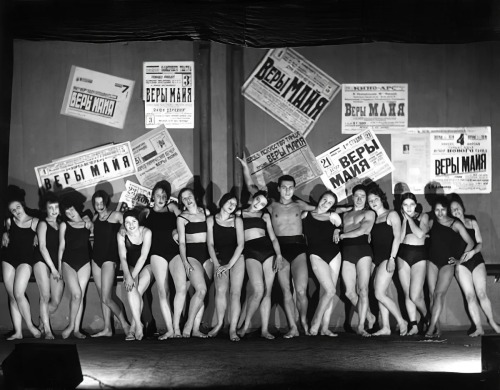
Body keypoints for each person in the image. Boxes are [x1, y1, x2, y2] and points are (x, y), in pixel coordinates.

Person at [237, 156, 313, 337]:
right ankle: (293, 327)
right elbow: (251, 188)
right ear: (279, 189)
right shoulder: (270, 205)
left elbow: (322, 209)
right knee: (286, 290)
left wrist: (337, 217)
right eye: (284, 187)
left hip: (298, 247)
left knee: (301, 290)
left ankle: (303, 321)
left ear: (294, 188)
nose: (287, 190)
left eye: (291, 187)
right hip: (280, 249)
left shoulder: (299, 204)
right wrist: (245, 167)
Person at [449, 194, 500, 336]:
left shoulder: (471, 222)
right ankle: (479, 328)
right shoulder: (450, 228)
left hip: (476, 260)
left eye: (457, 208)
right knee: (470, 296)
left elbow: (479, 243)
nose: (456, 211)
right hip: (461, 265)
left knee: (482, 294)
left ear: (462, 208)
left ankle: (493, 323)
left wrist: (471, 253)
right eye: (453, 210)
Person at [425, 195, 474, 338]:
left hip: (447, 264)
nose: (440, 213)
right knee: (431, 295)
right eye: (437, 210)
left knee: (439, 294)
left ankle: (430, 329)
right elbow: (421, 232)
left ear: (447, 210)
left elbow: (470, 243)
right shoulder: (432, 222)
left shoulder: (455, 224)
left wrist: (460, 260)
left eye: (443, 210)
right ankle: (437, 329)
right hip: (432, 261)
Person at [237, 190, 283, 339]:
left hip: (268, 251)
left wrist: (279, 255)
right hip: (250, 252)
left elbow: (274, 238)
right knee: (258, 290)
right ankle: (245, 326)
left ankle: (264, 330)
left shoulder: (264, 215)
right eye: (258, 200)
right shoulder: (240, 213)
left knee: (267, 292)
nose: (258, 204)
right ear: (253, 197)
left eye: (263, 203)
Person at [143, 180, 182, 339]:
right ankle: (170, 329)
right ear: (153, 196)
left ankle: (177, 327)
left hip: (175, 252)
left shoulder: (172, 209)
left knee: (181, 289)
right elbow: (130, 223)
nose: (161, 198)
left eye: (164, 196)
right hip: (157, 253)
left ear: (167, 198)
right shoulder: (146, 212)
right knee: (163, 291)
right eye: (158, 195)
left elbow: (185, 222)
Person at [336, 184, 376, 337]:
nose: (359, 199)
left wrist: (343, 236)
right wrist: (337, 230)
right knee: (349, 292)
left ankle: (361, 326)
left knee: (363, 290)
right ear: (352, 197)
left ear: (366, 199)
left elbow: (363, 230)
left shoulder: (369, 213)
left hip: (363, 251)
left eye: (362, 196)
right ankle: (369, 316)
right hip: (347, 252)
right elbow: (333, 218)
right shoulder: (345, 214)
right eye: (357, 196)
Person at [367, 185, 408, 336]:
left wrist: (392, 258)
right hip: (377, 259)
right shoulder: (373, 218)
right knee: (380, 292)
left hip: (387, 257)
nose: (373, 202)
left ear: (382, 199)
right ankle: (385, 327)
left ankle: (401, 321)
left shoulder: (392, 215)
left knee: (379, 294)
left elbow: (398, 237)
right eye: (370, 200)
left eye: (376, 199)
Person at [1, 194, 42, 340]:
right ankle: (18, 332)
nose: (16, 211)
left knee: (19, 294)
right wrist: (5, 233)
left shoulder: (35, 222)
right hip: (8, 259)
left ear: (23, 206)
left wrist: (38, 235)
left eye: (18, 207)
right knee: (12, 296)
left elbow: (44, 236)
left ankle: (30, 326)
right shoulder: (9, 222)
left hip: (25, 260)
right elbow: (7, 233)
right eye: (13, 210)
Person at [301, 190, 342, 337]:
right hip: (316, 254)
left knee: (328, 293)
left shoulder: (333, 216)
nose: (326, 204)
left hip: (334, 254)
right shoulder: (306, 215)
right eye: (325, 199)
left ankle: (324, 328)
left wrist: (337, 229)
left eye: (330, 202)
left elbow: (341, 227)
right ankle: (316, 322)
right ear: (320, 199)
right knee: (330, 290)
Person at [90, 190, 130, 337]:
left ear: (106, 202)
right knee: (103, 297)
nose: (99, 206)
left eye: (101, 203)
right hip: (96, 259)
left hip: (110, 258)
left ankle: (125, 324)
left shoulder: (116, 215)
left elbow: (129, 222)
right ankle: (107, 328)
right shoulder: (95, 218)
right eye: (97, 203)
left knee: (107, 298)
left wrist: (123, 227)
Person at [206, 193, 245, 341]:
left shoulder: (237, 220)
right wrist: (216, 264)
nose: (231, 206)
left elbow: (241, 245)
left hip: (236, 258)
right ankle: (219, 324)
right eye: (229, 202)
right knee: (221, 290)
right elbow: (210, 244)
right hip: (219, 259)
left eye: (234, 204)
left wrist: (230, 264)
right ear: (222, 202)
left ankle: (233, 329)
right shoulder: (211, 220)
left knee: (235, 293)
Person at [177, 188, 213, 338]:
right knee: (201, 290)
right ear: (182, 202)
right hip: (192, 255)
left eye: (189, 196)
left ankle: (196, 329)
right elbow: (182, 243)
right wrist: (185, 261)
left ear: (195, 197)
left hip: (207, 255)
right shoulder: (182, 218)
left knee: (202, 295)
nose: (188, 200)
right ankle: (188, 324)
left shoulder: (206, 213)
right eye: (184, 199)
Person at [58, 199, 93, 339]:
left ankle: (77, 329)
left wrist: (88, 220)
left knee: (80, 296)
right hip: (68, 262)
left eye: (71, 209)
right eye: (67, 211)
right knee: (76, 294)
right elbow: (61, 246)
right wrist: (59, 267)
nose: (70, 213)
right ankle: (71, 325)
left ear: (77, 207)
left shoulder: (87, 223)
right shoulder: (64, 225)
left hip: (84, 262)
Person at [397, 192, 430, 335]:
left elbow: (420, 234)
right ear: (401, 206)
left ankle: (428, 317)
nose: (408, 207)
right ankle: (414, 325)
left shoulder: (423, 216)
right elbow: (400, 237)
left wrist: (409, 219)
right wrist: (404, 220)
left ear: (416, 205)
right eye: (405, 205)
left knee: (415, 295)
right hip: (403, 255)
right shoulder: (401, 218)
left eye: (411, 204)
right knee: (407, 294)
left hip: (419, 255)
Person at [118, 209, 153, 341]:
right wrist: (128, 275)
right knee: (132, 289)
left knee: (137, 290)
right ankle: (138, 325)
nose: (131, 225)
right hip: (131, 265)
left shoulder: (146, 232)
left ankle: (134, 328)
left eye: (133, 221)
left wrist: (132, 277)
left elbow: (143, 257)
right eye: (127, 222)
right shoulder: (121, 235)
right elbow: (122, 257)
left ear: (138, 221)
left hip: (147, 265)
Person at [33, 191, 64, 339]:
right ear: (46, 209)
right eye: (50, 208)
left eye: (56, 207)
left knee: (56, 301)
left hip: (56, 264)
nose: (53, 211)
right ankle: (48, 331)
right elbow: (42, 247)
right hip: (42, 261)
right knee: (44, 296)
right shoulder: (43, 223)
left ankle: (41, 320)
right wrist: (52, 269)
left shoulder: (61, 223)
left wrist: (58, 268)